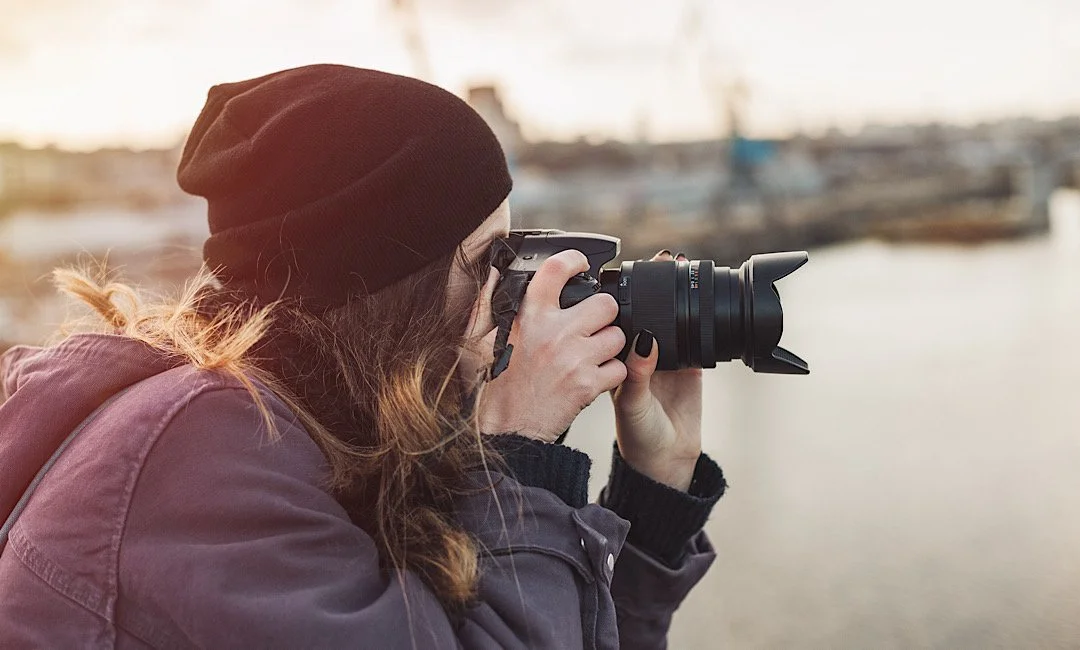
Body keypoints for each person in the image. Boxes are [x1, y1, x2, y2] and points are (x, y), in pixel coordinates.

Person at [0, 64, 726, 648]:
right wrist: (520, 457)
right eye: (488, 259)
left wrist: (653, 499)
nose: (511, 290)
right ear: (390, 292)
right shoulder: (200, 458)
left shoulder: (327, 432)